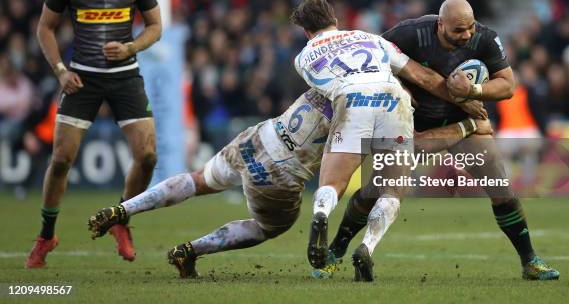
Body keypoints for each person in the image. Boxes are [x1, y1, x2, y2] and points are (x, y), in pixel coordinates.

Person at [87, 88, 493, 278]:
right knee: (268, 227)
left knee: (197, 180)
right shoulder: (376, 105)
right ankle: (191, 250)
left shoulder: (330, 77)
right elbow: (414, 145)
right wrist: (467, 124)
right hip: (279, 174)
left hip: (255, 139)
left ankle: (126, 209)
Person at [320, 0, 559, 281]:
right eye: (459, 30)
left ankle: (529, 261)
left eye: (469, 28)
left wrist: (474, 90)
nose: (467, 35)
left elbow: (508, 85)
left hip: (461, 125)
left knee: (499, 187)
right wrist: (398, 89)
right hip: (409, 126)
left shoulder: (484, 39)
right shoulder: (410, 33)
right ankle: (336, 249)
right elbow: (372, 64)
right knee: (377, 191)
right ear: (440, 24)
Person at [290, 0, 486, 281]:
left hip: (351, 98)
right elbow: (422, 76)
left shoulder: (303, 58)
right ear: (335, 20)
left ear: (306, 31)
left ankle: (321, 213)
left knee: (333, 184)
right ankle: (367, 246)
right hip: (393, 97)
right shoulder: (368, 37)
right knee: (392, 190)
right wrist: (464, 102)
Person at [26, 0, 162, 268]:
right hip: (82, 80)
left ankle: (120, 219)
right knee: (60, 160)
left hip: (124, 77)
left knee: (147, 156)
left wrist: (130, 46)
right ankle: (46, 234)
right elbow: (45, 27)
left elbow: (156, 26)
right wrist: (60, 70)